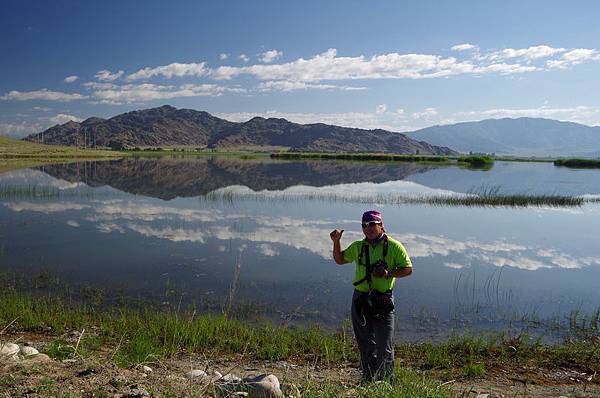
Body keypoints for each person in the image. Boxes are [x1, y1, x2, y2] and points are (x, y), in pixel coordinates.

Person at [330, 210, 412, 382]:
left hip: (383, 300)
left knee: (384, 345)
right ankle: (368, 378)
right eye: (364, 225)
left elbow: (408, 269)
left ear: (381, 225)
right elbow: (339, 260)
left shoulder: (395, 247)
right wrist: (336, 242)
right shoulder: (358, 246)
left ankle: (387, 381)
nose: (368, 228)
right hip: (360, 299)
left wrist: (388, 273)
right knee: (365, 342)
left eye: (372, 224)